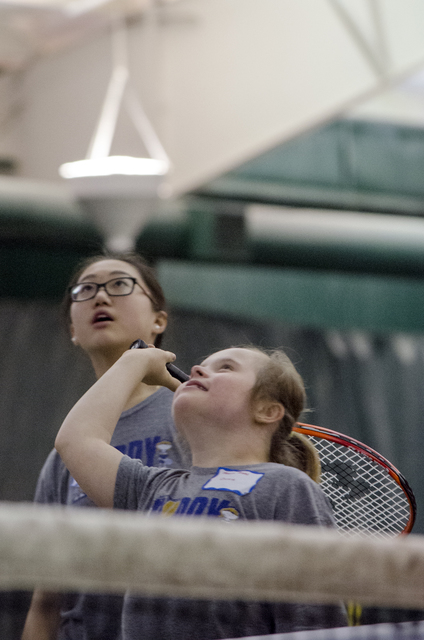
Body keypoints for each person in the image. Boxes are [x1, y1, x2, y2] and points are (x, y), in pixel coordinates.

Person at [55, 343, 348, 639]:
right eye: (201, 366)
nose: (197, 369)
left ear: (267, 410)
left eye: (226, 368)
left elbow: (314, 625)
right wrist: (135, 362)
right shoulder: (153, 489)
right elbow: (76, 440)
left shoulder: (287, 487)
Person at [22, 252, 190, 640]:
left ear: (158, 320)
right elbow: (46, 604)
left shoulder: (194, 420)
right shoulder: (64, 458)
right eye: (86, 290)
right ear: (73, 330)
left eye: (119, 284)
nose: (100, 297)